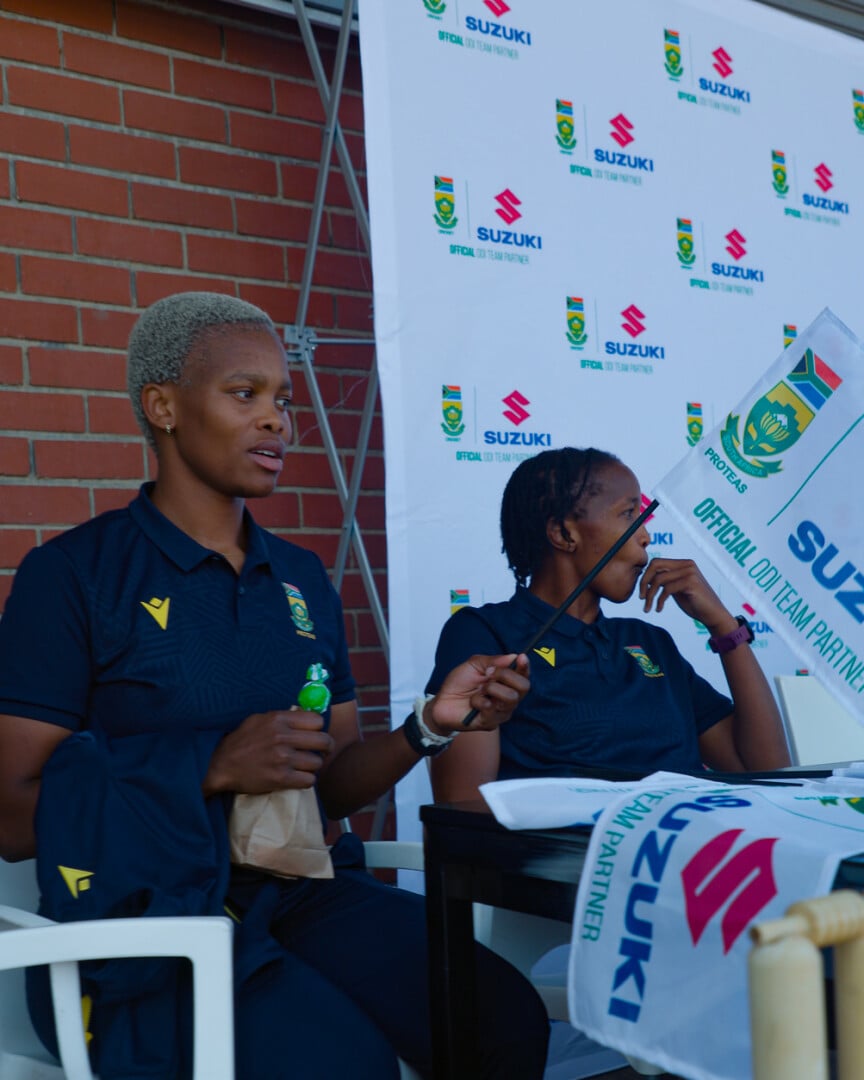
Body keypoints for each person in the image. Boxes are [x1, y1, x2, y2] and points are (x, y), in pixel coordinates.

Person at [0, 292, 548, 1079]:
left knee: (500, 1019)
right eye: (245, 394)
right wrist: (211, 765)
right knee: (341, 1065)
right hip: (145, 918)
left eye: (283, 401)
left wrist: (431, 725)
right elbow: (14, 817)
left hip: (298, 895)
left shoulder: (300, 579)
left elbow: (328, 788)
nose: (277, 422)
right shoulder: (74, 576)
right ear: (162, 406)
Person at [426, 446, 791, 803]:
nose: (645, 535)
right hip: (576, 859)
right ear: (564, 534)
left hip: (693, 851)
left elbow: (766, 773)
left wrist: (725, 628)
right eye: (629, 514)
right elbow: (462, 809)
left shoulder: (650, 642)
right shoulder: (486, 633)